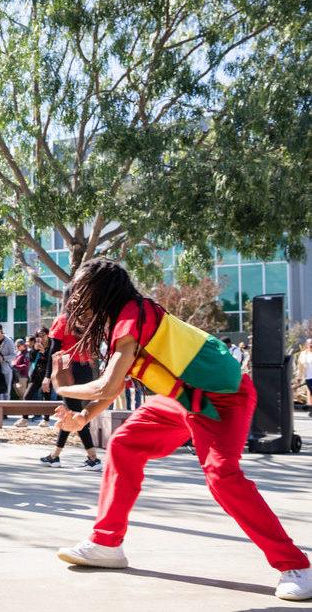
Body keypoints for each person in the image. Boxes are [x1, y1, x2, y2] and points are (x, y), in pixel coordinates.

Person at [52, 258, 311, 602]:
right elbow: (114, 388)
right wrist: (83, 417)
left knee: (223, 476)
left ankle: (297, 567)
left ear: (102, 290)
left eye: (82, 289)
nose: (75, 299)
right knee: (125, 444)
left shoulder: (131, 316)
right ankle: (106, 543)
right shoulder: (126, 320)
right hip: (185, 398)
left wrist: (62, 387)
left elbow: (106, 386)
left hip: (223, 399)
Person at [37, 303, 100, 470]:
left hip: (68, 371)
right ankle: (54, 456)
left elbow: (54, 351)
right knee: (71, 414)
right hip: (86, 370)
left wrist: (47, 377)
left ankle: (93, 458)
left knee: (74, 415)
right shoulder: (88, 321)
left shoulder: (63, 320)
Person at [21, 329, 51, 427]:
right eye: (38, 335)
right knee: (27, 396)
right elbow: (31, 358)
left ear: (47, 335)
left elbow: (51, 361)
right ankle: (24, 419)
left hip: (48, 375)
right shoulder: (37, 345)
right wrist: (34, 349)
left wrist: (43, 352)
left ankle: (46, 420)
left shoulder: (52, 345)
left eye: (42, 335)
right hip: (36, 375)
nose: (41, 337)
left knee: (46, 396)